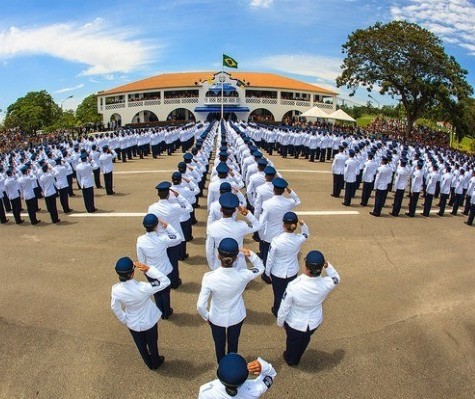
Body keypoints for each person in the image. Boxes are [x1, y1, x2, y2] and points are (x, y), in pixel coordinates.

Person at [197, 238, 264, 363]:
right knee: (233, 343)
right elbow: (260, 268)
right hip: (236, 315)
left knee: (219, 344)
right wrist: (250, 253)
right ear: (236, 258)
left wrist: (207, 317)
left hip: (216, 317)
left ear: (218, 256)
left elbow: (200, 305)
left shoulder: (209, 277)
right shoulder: (243, 275)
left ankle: (221, 365)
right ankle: (232, 364)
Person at [277, 250, 340, 366]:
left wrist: (280, 322)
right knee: (305, 340)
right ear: (321, 268)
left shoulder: (294, 286)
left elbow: (284, 308)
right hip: (314, 322)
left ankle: (291, 359)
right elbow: (336, 278)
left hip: (294, 322)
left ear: (306, 267)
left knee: (292, 342)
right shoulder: (327, 283)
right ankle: (298, 356)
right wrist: (328, 265)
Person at [110, 256, 170, 370]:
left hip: (132, 322)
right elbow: (166, 281)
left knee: (141, 345)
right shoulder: (144, 287)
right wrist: (148, 269)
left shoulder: (116, 290)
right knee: (152, 343)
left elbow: (115, 307)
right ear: (132, 273)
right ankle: (156, 361)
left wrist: (124, 319)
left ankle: (149, 363)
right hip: (149, 321)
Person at [147, 181, 193, 289]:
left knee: (162, 262)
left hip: (159, 238)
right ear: (168, 194)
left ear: (158, 194)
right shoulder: (174, 207)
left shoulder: (152, 208)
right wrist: (179, 196)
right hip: (173, 239)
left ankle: (164, 281)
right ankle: (174, 282)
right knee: (173, 262)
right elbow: (189, 208)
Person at [136, 214, 182, 320]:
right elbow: (178, 238)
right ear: (156, 226)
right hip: (165, 271)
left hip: (151, 272)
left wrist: (145, 271)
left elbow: (141, 260)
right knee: (166, 292)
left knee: (156, 292)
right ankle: (167, 311)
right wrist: (167, 226)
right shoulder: (163, 238)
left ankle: (161, 312)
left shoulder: (140, 240)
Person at [265, 212, 309, 316]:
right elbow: (306, 234)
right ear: (295, 225)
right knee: (289, 293)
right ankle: (288, 311)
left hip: (277, 272)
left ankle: (277, 311)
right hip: (292, 271)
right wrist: (303, 225)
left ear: (283, 224)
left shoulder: (276, 241)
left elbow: (270, 258)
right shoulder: (298, 239)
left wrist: (267, 272)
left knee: (278, 294)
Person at [206, 192, 261, 271]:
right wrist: (243, 210)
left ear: (221, 210)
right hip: (238, 265)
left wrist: (212, 266)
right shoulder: (242, 226)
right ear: (235, 210)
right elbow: (257, 225)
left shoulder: (212, 228)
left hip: (220, 264)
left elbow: (209, 249)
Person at [198, 353, 277, 399]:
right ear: (246, 376)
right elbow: (271, 375)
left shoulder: (205, 391)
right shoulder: (255, 390)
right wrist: (262, 365)